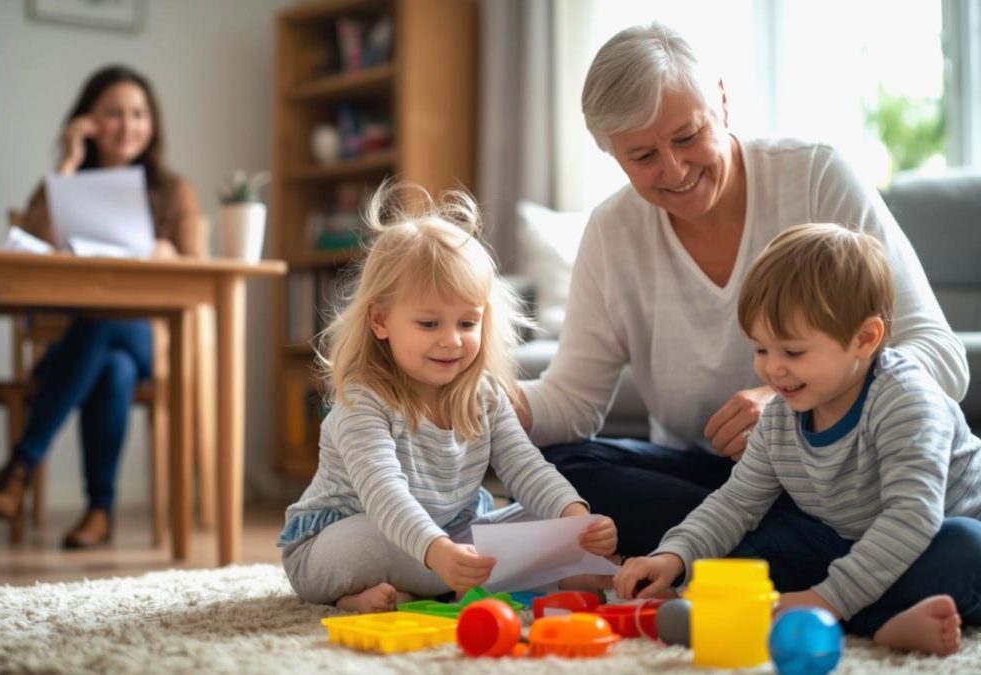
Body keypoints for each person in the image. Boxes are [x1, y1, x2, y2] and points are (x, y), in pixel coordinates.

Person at [517, 22, 968, 557]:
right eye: (643, 157)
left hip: (843, 478)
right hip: (718, 485)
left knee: (958, 544)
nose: (675, 170)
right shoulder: (611, 230)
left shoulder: (817, 174)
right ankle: (803, 555)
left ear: (723, 101)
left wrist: (787, 400)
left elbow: (942, 358)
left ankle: (760, 555)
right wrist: (483, 400)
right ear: (613, 154)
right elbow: (573, 401)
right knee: (559, 469)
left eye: (688, 137)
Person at [613, 223, 981, 655]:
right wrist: (673, 557)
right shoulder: (782, 414)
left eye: (792, 352)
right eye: (760, 349)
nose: (772, 369)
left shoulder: (906, 400)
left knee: (966, 548)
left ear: (865, 339)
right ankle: (859, 612)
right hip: (853, 545)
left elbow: (911, 518)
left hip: (933, 537)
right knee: (753, 550)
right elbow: (736, 503)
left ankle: (864, 619)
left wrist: (825, 599)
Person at [278, 181, 617, 613]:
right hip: (342, 539)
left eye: (467, 323)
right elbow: (386, 495)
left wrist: (575, 522)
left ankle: (439, 582)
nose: (452, 340)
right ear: (380, 321)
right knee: (370, 543)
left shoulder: (485, 395)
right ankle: (467, 576)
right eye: (429, 324)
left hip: (451, 535)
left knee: (540, 521)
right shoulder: (363, 401)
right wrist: (438, 553)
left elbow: (527, 467)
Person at [0, 65, 202, 549]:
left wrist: (170, 255)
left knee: (107, 327)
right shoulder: (64, 183)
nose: (128, 125)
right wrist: (68, 163)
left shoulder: (173, 190)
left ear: (152, 122)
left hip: (152, 338)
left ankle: (19, 467)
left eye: (139, 113)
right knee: (113, 366)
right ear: (88, 121)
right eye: (113, 113)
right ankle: (99, 512)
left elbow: (201, 278)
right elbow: (25, 249)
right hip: (84, 343)